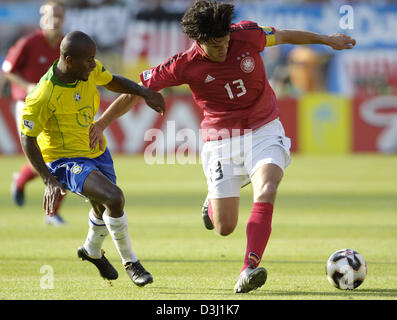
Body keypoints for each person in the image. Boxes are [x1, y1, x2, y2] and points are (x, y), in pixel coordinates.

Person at [89, 0, 356, 293]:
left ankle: (249, 267)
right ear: (199, 41)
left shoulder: (247, 34)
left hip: (264, 129)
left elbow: (285, 35)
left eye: (226, 42)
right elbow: (138, 91)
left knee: (266, 188)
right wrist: (102, 123)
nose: (224, 49)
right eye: (216, 46)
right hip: (221, 141)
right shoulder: (184, 64)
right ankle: (214, 200)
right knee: (224, 227)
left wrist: (327, 40)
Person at [19, 30, 165, 286]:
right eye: (88, 60)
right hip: (65, 160)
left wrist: (144, 92)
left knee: (102, 206)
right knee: (114, 197)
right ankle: (131, 261)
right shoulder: (43, 95)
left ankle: (91, 251)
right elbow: (27, 138)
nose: (93, 64)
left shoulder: (88, 68)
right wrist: (49, 179)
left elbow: (111, 81)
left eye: (93, 59)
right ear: (68, 60)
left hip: (97, 149)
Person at [2, 0, 67, 226]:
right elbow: (7, 70)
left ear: (64, 18)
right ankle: (24, 184)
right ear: (42, 18)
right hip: (28, 104)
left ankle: (49, 210)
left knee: (60, 156)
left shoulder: (66, 45)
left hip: (56, 107)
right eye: (51, 15)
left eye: (59, 15)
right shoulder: (28, 42)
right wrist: (28, 86)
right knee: (50, 155)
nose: (55, 20)